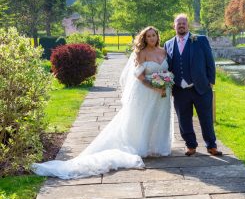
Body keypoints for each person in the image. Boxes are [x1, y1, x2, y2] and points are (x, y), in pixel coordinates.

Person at [32, 26, 173, 179]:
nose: (152, 38)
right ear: (144, 39)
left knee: (159, 118)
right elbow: (138, 76)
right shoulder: (141, 53)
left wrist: (164, 84)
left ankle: (157, 146)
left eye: (154, 35)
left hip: (163, 94)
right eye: (148, 36)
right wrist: (153, 86)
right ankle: (143, 146)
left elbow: (166, 71)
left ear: (157, 37)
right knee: (143, 119)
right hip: (146, 93)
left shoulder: (163, 51)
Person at [164, 14, 221, 156]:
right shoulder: (168, 44)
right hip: (179, 90)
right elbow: (168, 67)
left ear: (188, 25)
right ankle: (190, 145)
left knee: (206, 118)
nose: (181, 25)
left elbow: (210, 62)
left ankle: (211, 145)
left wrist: (210, 81)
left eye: (184, 23)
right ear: (174, 26)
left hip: (201, 88)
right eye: (179, 23)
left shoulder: (200, 40)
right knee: (183, 119)